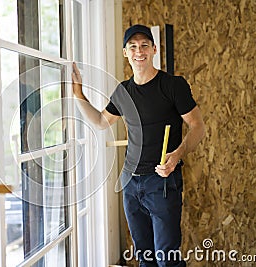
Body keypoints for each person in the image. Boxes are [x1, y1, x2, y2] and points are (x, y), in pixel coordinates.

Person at [71, 24, 205, 267]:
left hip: (162, 181)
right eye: (132, 46)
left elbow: (197, 126)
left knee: (167, 259)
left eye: (144, 45)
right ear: (125, 52)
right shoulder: (123, 92)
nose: (139, 51)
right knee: (145, 259)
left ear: (154, 49)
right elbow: (101, 122)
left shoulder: (173, 86)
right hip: (130, 182)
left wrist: (177, 154)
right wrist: (79, 95)